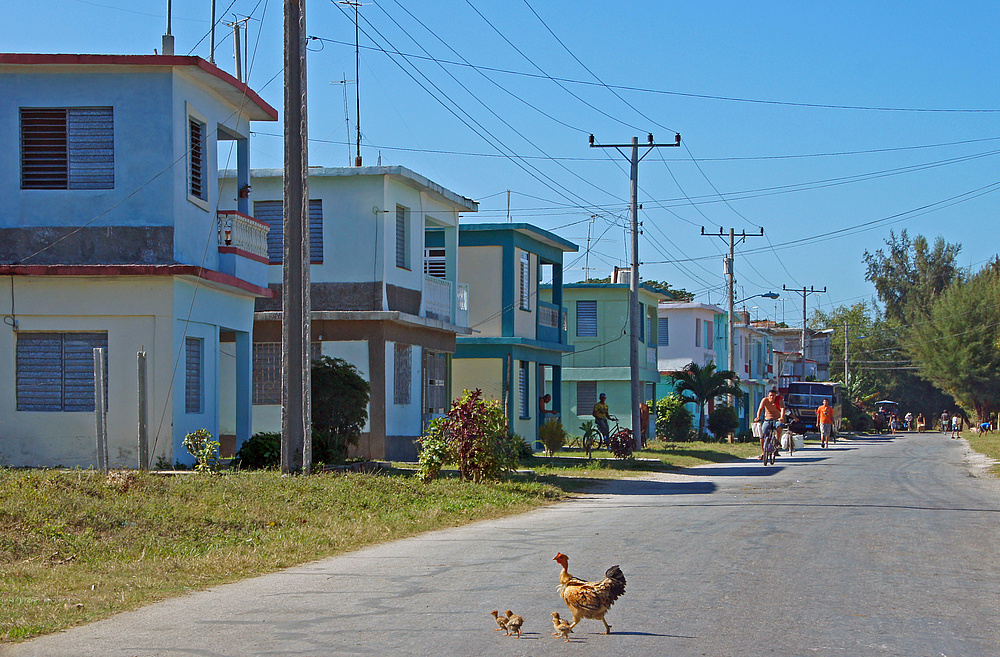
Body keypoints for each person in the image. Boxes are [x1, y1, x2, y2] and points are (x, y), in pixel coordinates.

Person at [754, 388, 785, 461]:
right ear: (768, 395)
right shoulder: (765, 400)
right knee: (762, 435)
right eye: (770, 395)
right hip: (767, 419)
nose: (772, 397)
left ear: (775, 395)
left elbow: (783, 408)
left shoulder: (779, 400)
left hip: (777, 419)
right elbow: (760, 408)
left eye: (773, 395)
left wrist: (782, 417)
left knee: (779, 426)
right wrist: (758, 417)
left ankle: (777, 441)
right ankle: (763, 453)